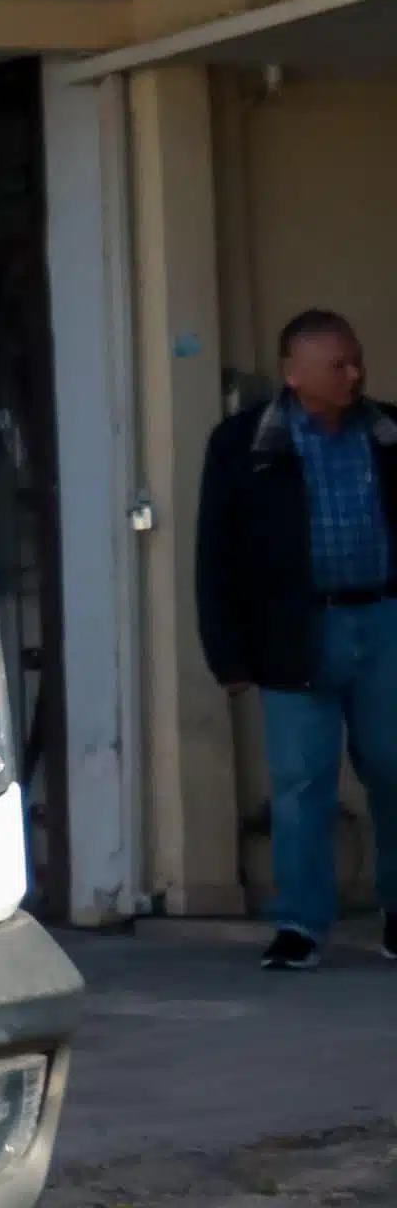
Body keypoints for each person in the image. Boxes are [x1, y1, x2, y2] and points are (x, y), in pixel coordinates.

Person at [198, 308, 397, 969]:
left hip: (385, 622)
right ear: (293, 373)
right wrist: (227, 652)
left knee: (394, 770)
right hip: (295, 632)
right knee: (302, 784)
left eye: (356, 360)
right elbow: (215, 554)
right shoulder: (245, 443)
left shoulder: (389, 430)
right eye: (337, 364)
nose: (354, 374)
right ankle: (302, 926)